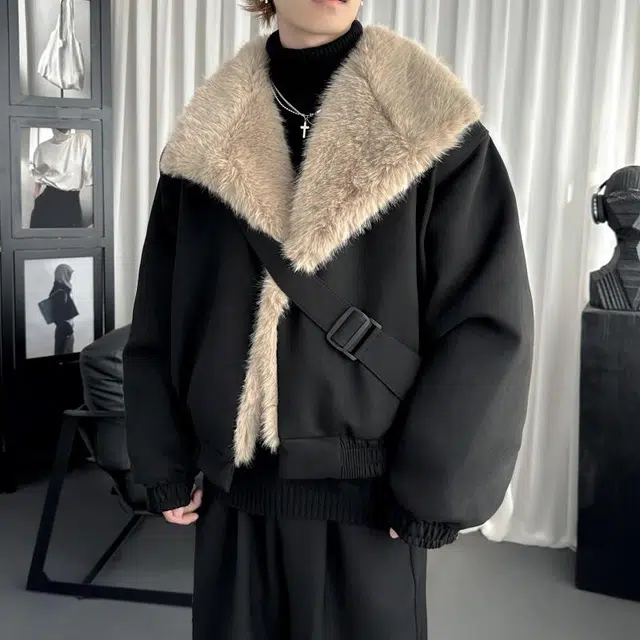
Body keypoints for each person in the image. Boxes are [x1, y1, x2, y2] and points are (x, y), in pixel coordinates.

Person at [123, 1, 535, 638]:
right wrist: (164, 460)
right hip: (236, 496)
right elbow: (161, 309)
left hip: (371, 505)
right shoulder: (205, 141)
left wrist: (435, 486)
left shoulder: (435, 131)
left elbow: (487, 321)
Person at [49, 263, 78, 355]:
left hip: (66, 330)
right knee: (64, 357)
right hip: (65, 331)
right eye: (69, 274)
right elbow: (58, 316)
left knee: (64, 355)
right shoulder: (60, 291)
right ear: (63, 275)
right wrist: (68, 329)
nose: (70, 277)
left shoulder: (63, 289)